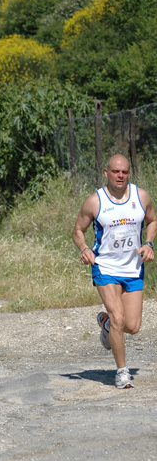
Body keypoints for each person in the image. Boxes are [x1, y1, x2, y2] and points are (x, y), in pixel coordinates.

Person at [73, 154, 157, 389]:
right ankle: (122, 372)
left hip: (133, 267)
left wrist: (149, 243)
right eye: (116, 171)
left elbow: (152, 221)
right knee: (119, 317)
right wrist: (84, 248)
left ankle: (106, 325)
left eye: (125, 172)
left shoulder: (141, 197)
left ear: (129, 173)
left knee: (132, 326)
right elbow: (77, 230)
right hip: (105, 266)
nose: (120, 176)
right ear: (106, 172)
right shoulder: (95, 201)